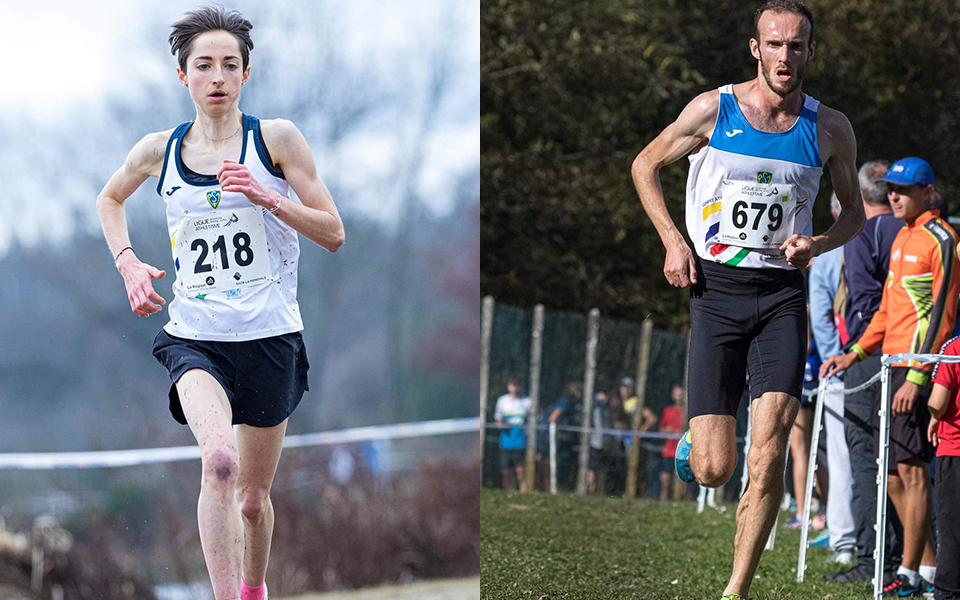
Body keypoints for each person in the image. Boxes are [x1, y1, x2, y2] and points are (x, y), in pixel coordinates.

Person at [95, 7, 345, 600]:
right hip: (196, 337)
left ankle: (253, 589)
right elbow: (109, 198)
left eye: (229, 65)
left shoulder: (276, 140)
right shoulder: (161, 151)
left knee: (254, 502)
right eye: (203, 65)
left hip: (270, 337)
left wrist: (266, 195)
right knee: (220, 466)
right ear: (183, 76)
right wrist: (128, 262)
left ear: (246, 74)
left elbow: (333, 232)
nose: (217, 77)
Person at [629, 1, 865, 597]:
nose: (786, 56)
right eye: (775, 44)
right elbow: (644, 165)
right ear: (756, 49)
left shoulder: (830, 128)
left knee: (767, 457)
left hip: (783, 297)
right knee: (715, 469)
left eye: (797, 45)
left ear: (811, 52)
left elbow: (854, 216)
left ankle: (736, 589)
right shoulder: (715, 110)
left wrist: (816, 242)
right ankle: (698, 441)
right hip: (716, 291)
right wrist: (672, 242)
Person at [822, 157, 958, 596]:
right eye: (889, 188)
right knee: (896, 474)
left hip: (915, 369)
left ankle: (912, 572)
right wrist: (855, 351)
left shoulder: (943, 239)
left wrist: (919, 375)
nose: (892, 196)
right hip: (889, 364)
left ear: (927, 192)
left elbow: (942, 313)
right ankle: (925, 568)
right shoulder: (902, 235)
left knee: (912, 471)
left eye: (901, 189)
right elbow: (887, 310)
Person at [822, 160, 904, 584]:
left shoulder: (861, 235)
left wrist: (854, 351)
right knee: (902, 462)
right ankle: (906, 560)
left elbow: (867, 304)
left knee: (865, 456)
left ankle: (875, 560)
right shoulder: (914, 233)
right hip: (911, 358)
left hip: (869, 357)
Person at [806, 191, 857, 563]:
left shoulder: (824, 254)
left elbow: (821, 317)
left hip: (842, 367)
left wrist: (833, 360)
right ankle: (847, 538)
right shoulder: (880, 241)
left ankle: (844, 540)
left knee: (841, 456)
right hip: (862, 364)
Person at [928, 337, 960, 600]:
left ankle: (948, 592)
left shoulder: (953, 348)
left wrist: (932, 416)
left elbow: (938, 403)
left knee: (950, 529)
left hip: (954, 449)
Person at [494, 376, 533, 492]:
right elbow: (497, 419)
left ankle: (523, 491)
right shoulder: (502, 401)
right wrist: (502, 425)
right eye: (512, 385)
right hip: (505, 442)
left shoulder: (527, 402)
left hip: (520, 441)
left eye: (516, 386)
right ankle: (507, 491)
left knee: (520, 469)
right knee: (506, 470)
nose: (514, 388)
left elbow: (532, 420)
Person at [658, 385, 685, 501]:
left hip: (683, 451)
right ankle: (663, 504)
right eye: (676, 394)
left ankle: (680, 503)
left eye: (680, 394)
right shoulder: (667, 410)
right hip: (668, 451)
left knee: (682, 482)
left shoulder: (687, 412)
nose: (678, 397)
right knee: (665, 480)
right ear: (672, 395)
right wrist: (667, 430)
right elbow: (660, 429)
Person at [587, 389, 613, 494]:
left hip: (604, 443)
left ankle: (599, 490)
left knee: (602, 468)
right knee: (592, 468)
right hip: (595, 443)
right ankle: (590, 490)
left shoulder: (607, 410)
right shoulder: (595, 408)